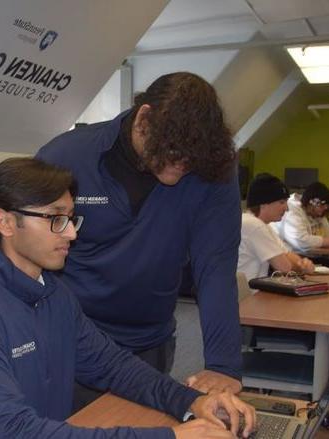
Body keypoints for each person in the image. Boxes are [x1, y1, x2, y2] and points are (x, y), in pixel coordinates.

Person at [0, 157, 255, 439]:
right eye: (56, 219)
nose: (71, 233)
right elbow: (14, 432)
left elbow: (113, 367)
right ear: (6, 222)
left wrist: (190, 402)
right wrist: (167, 436)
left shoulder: (54, 293)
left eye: (71, 218)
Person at [36, 72, 243, 403]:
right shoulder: (67, 157)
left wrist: (223, 366)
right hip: (72, 341)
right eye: (173, 152)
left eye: (192, 161)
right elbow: (26, 254)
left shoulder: (213, 167)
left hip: (149, 342)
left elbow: (216, 265)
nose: (181, 167)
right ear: (143, 119)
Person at [238, 173, 314, 281]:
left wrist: (301, 264)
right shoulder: (254, 225)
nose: (286, 208)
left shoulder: (263, 225)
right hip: (248, 296)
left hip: (253, 292)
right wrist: (303, 267)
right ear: (263, 203)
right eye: (282, 202)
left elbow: (287, 254)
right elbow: (285, 267)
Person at [272, 181, 329, 255]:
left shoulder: (316, 211)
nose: (324, 209)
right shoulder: (292, 211)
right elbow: (302, 242)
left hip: (308, 256)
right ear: (311, 203)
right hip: (290, 257)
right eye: (322, 205)